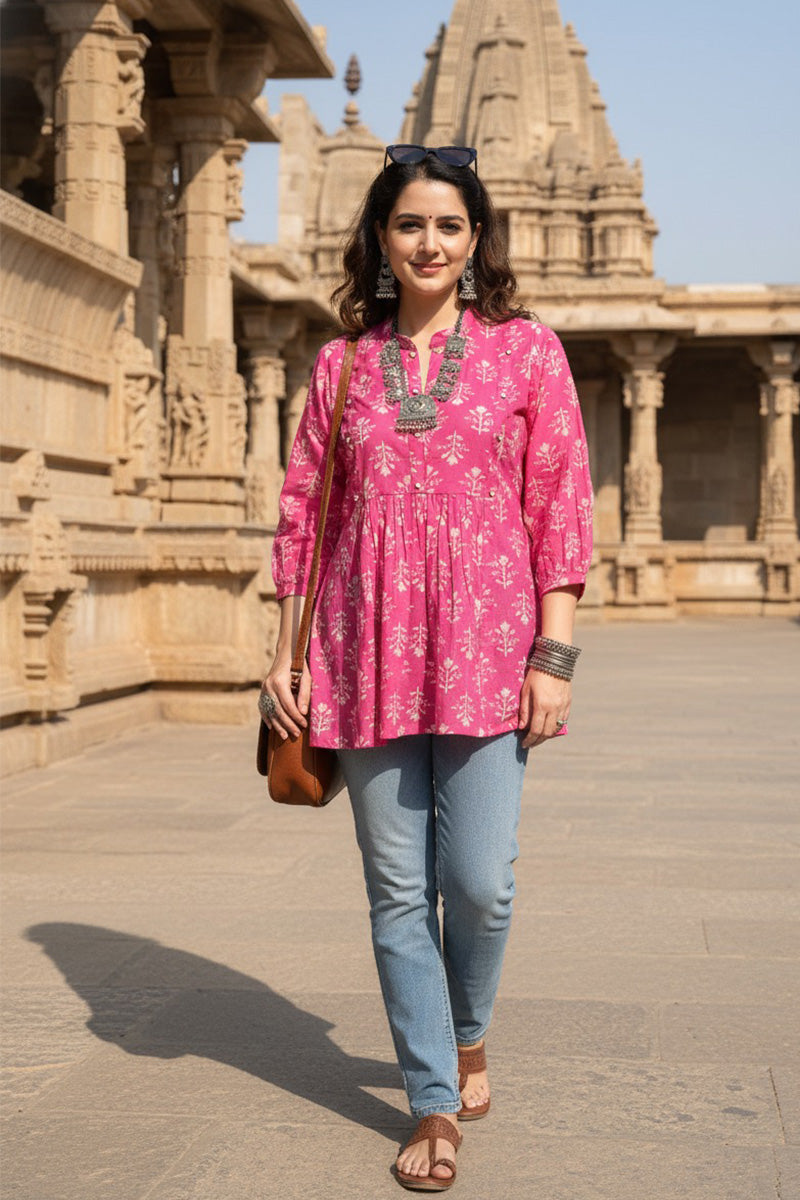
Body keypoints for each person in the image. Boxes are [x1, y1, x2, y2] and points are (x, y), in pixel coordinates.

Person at [260, 144, 593, 1191]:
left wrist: (554, 654)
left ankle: (468, 1028)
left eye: (448, 225)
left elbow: (558, 503)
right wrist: (284, 657)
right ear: (380, 238)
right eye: (409, 224)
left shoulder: (526, 353)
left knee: (478, 886)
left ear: (475, 239)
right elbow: (302, 512)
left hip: (491, 654)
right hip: (360, 654)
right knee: (398, 891)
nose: (429, 243)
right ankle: (432, 1102)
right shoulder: (341, 365)